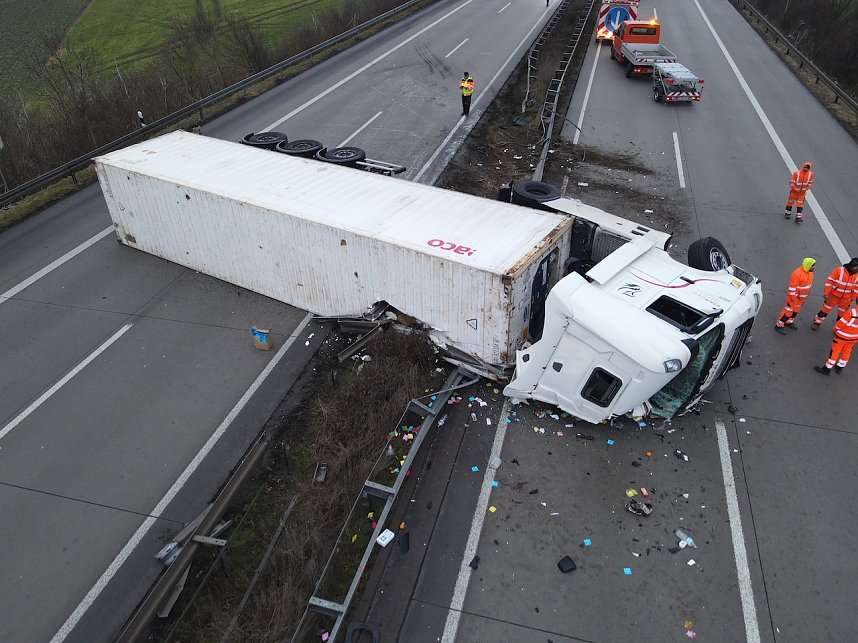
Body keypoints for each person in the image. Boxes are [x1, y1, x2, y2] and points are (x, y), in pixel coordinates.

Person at [812, 258, 858, 330]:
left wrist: (852, 298)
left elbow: (856, 288)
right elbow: (829, 281)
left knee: (842, 315)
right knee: (825, 310)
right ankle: (817, 323)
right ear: (853, 265)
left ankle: (838, 328)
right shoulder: (839, 270)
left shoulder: (857, 275)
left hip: (846, 299)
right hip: (834, 296)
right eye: (857, 267)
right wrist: (826, 293)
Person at [775, 257, 815, 334]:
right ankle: (779, 325)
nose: (813, 267)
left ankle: (789, 322)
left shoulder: (810, 273)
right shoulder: (797, 274)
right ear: (808, 265)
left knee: (795, 311)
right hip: (794, 298)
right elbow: (792, 289)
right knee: (787, 312)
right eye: (812, 266)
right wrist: (793, 299)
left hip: (801, 298)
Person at [814, 306, 858, 375]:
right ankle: (840, 367)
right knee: (847, 352)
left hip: (842, 337)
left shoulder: (851, 312)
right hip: (854, 338)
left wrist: (835, 329)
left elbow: (840, 324)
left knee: (835, 352)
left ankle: (827, 369)